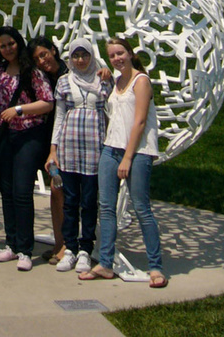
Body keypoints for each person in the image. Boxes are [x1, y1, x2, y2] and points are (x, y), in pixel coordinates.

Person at [80, 36, 167, 288]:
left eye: (120, 53)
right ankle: (105, 263)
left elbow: (139, 122)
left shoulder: (141, 81)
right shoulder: (116, 81)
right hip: (110, 149)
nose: (117, 58)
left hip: (137, 152)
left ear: (130, 53)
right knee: (106, 208)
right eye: (112, 56)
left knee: (142, 208)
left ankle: (156, 266)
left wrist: (127, 157)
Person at [0, 25, 54, 272]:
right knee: (8, 191)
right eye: (2, 46)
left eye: (11, 44)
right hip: (4, 136)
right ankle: (12, 244)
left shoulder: (31, 71)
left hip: (28, 135)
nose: (7, 49)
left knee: (23, 191)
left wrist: (19, 110)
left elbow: (47, 102)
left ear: (19, 43)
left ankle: (25, 248)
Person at [48, 37, 112, 275]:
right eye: (76, 55)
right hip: (70, 147)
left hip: (95, 147)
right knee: (70, 201)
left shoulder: (103, 80)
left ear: (91, 56)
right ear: (70, 58)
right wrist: (53, 149)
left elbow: (113, 107)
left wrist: (108, 74)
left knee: (89, 202)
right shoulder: (65, 82)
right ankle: (70, 248)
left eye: (85, 55)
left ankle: (86, 248)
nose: (81, 60)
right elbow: (60, 116)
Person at [28, 35, 68, 262]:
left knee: (61, 191)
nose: (42, 61)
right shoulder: (42, 78)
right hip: (51, 142)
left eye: (44, 54)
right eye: (37, 59)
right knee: (57, 191)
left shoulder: (71, 72)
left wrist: (105, 73)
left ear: (53, 50)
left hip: (71, 141)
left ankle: (67, 245)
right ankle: (60, 244)